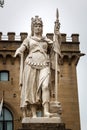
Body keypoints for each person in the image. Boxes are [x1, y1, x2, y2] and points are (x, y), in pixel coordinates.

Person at [14, 16, 61, 118]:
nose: (38, 28)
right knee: (32, 90)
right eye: (36, 26)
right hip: (31, 65)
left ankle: (46, 111)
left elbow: (55, 48)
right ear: (32, 27)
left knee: (45, 86)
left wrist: (57, 35)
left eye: (40, 26)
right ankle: (34, 114)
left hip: (44, 64)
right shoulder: (28, 39)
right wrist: (19, 50)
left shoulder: (46, 40)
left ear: (42, 27)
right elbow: (23, 47)